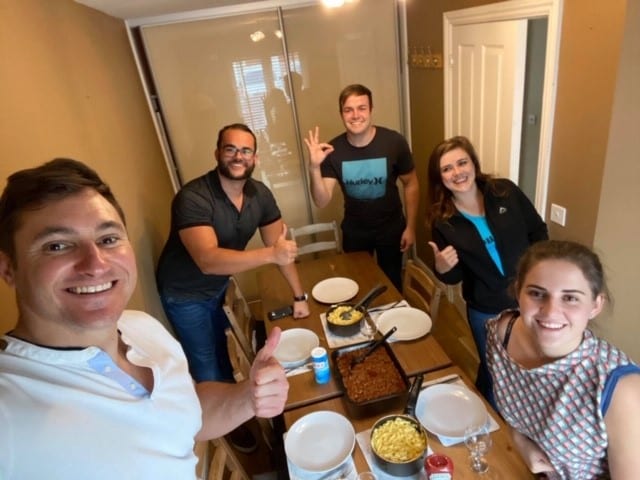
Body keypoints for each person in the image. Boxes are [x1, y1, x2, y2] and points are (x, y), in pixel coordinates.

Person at [0, 158, 289, 479]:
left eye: (108, 239)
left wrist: (249, 396)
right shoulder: (12, 411)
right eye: (57, 245)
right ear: (8, 268)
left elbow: (185, 411)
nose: (95, 264)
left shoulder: (141, 327)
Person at [486, 240, 640, 479]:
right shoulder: (501, 334)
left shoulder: (621, 389)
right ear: (518, 292)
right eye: (537, 293)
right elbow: (514, 415)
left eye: (570, 298)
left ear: (595, 305)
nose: (550, 312)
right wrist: (522, 444)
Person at [426, 135, 548, 406]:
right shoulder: (444, 221)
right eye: (447, 169)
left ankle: (521, 411)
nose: (457, 173)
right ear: (440, 177)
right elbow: (454, 276)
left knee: (530, 361)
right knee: (495, 370)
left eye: (462, 163)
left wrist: (540, 277)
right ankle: (495, 422)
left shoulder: (504, 192)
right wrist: (442, 268)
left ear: (474, 163)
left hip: (530, 299)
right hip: (486, 309)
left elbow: (538, 230)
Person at [304, 84, 419, 291]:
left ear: (371, 110)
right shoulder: (332, 151)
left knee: (392, 283)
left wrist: (410, 227)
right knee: (356, 284)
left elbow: (411, 183)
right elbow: (321, 200)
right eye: (348, 110)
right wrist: (314, 167)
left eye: (361, 108)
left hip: (392, 229)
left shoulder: (394, 142)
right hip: (355, 232)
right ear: (341, 114)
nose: (355, 115)